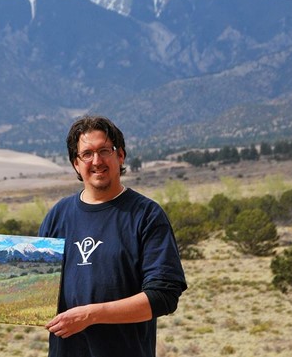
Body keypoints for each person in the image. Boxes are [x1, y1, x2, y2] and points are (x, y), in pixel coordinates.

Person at [39, 115, 186, 357]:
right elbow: (35, 291)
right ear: (75, 163)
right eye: (87, 154)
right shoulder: (58, 216)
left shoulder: (146, 215)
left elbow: (164, 296)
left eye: (104, 150)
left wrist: (91, 315)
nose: (96, 161)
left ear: (120, 156)